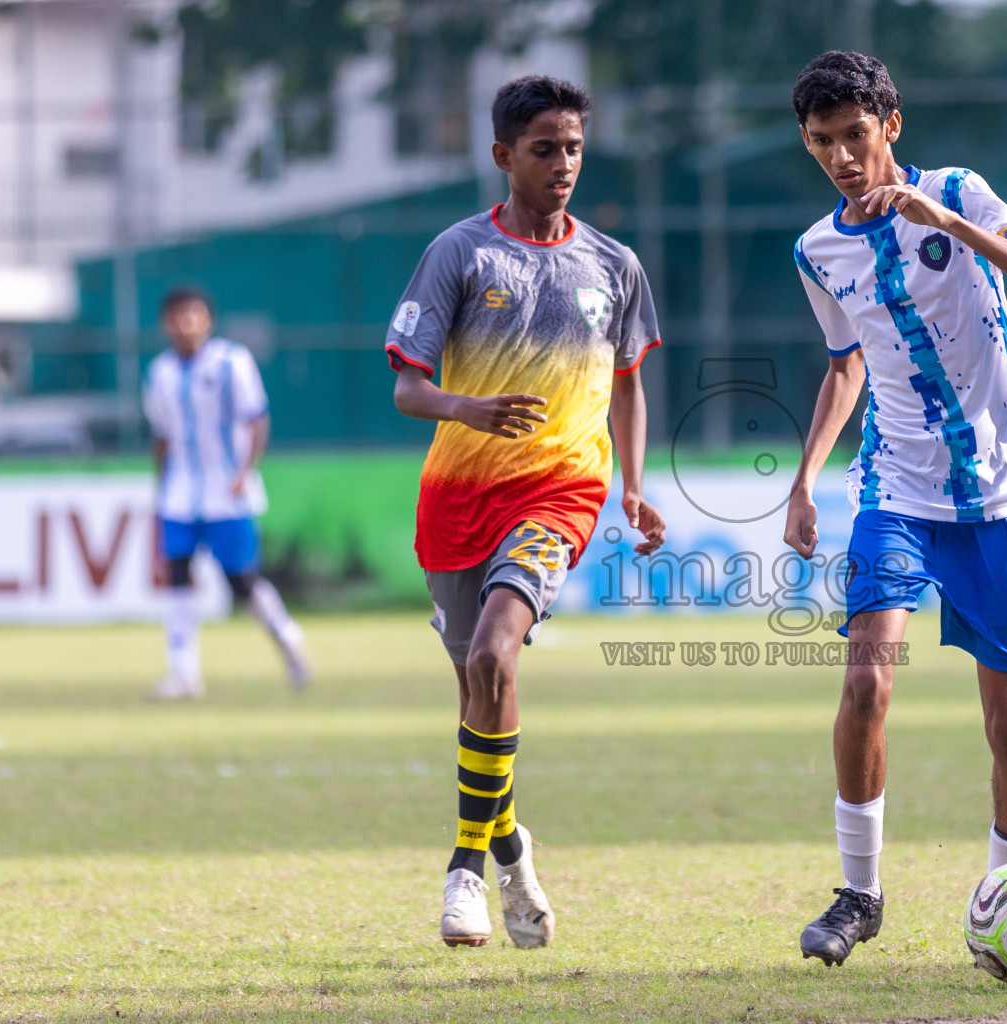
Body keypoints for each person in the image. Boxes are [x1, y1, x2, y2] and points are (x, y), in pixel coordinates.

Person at [781, 51, 1007, 966]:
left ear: (890, 126)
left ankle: (1003, 890)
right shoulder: (815, 250)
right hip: (893, 489)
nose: (839, 155)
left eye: (854, 135)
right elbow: (845, 367)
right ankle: (857, 896)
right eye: (821, 141)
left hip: (999, 490)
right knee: (866, 680)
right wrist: (802, 479)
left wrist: (947, 222)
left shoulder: (959, 190)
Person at [386, 75, 666, 950]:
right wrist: (465, 408)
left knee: (496, 650)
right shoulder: (460, 254)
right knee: (481, 690)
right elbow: (406, 388)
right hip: (457, 499)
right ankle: (509, 847)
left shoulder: (613, 266)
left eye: (574, 147)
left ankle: (462, 875)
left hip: (559, 491)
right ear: (504, 156)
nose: (564, 164)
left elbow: (627, 387)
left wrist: (630, 483)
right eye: (544, 149)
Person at [143, 287, 312, 700]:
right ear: (166, 323)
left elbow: (256, 419)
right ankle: (184, 674)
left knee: (241, 582)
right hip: (180, 494)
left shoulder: (231, 361)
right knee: (177, 580)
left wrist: (245, 471)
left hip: (226, 492)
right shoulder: (159, 372)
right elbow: (162, 435)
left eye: (194, 315)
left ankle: (288, 639)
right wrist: (161, 485)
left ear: (208, 320)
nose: (186, 324)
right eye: (178, 316)